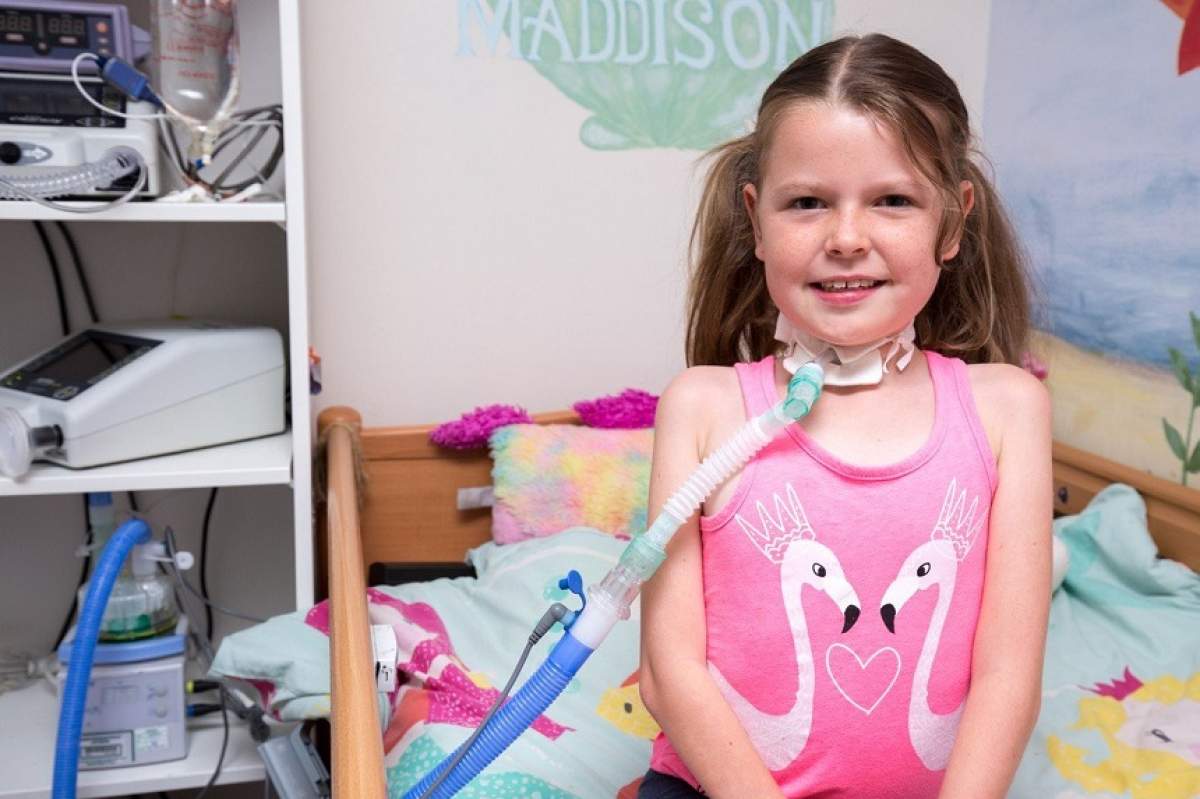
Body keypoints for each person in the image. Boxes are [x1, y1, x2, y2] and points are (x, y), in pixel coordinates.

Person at [638, 33, 1052, 799]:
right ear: (758, 221)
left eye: (893, 200)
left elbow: (1008, 673)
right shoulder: (702, 407)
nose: (847, 239)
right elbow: (670, 674)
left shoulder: (1008, 409)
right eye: (807, 203)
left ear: (952, 222)